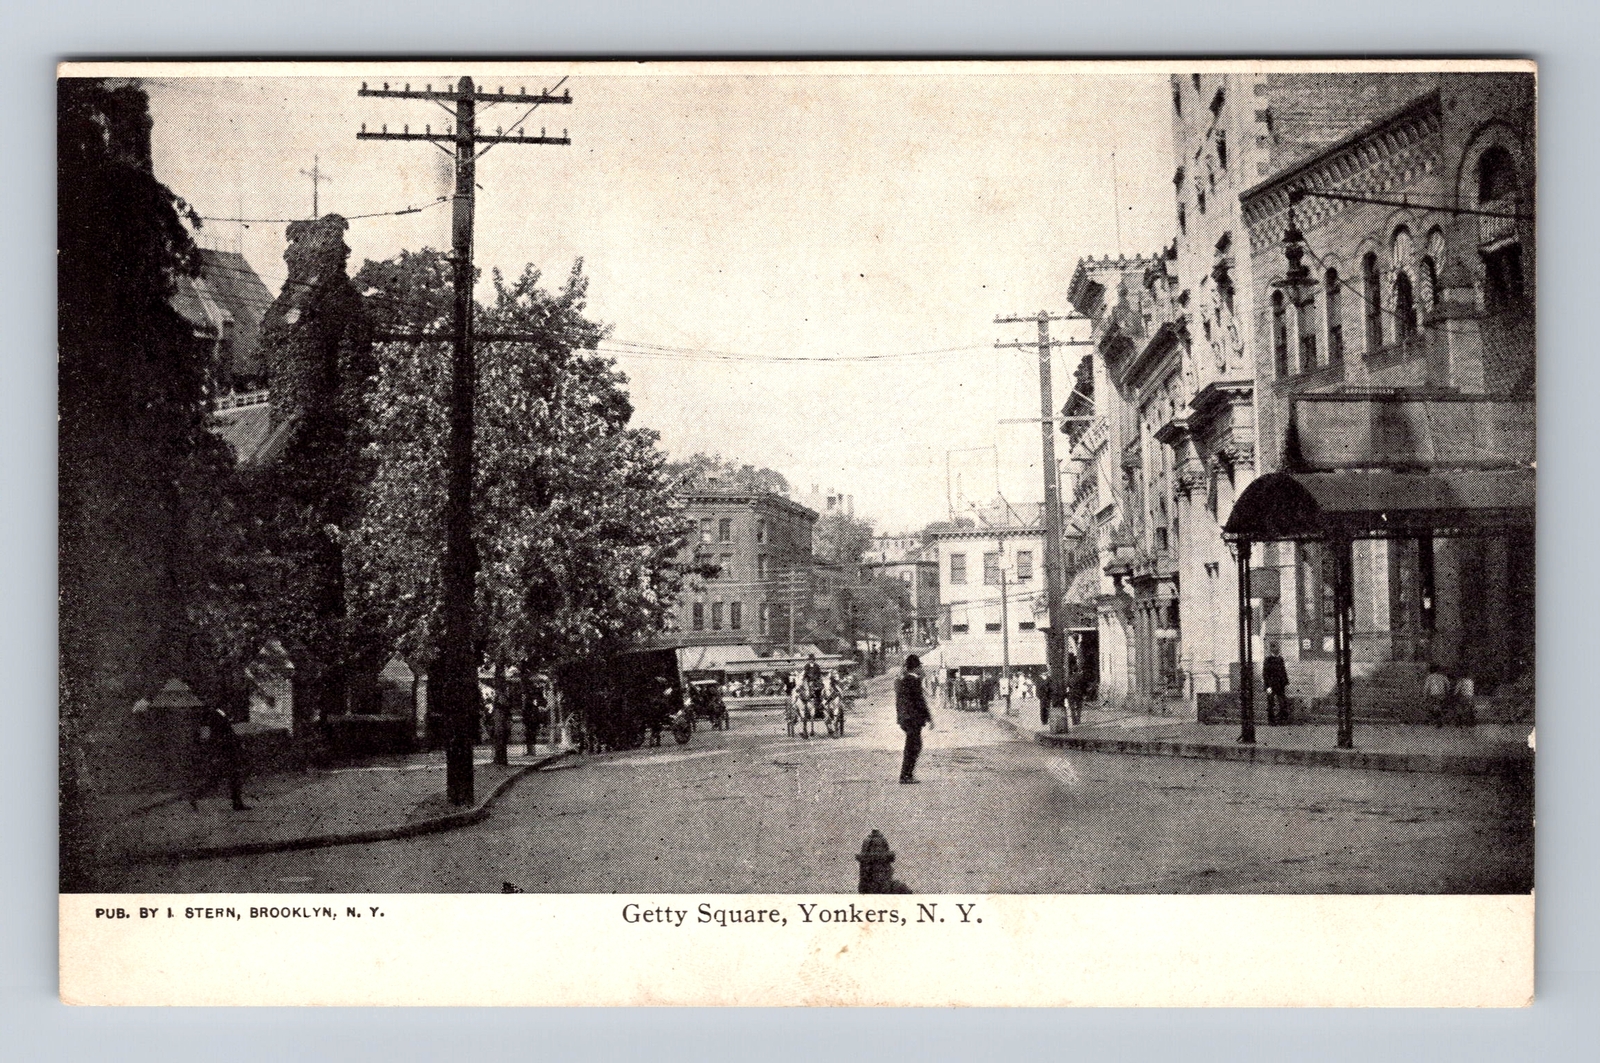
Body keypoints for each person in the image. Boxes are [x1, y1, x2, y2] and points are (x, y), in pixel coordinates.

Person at [190, 705, 248, 811]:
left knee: (231, 777)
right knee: (217, 780)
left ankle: (237, 803)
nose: (230, 708)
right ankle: (194, 795)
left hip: (227, 753)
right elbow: (217, 737)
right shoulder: (216, 717)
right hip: (224, 753)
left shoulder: (221, 716)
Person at [896, 654, 933, 783]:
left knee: (913, 745)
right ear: (916, 667)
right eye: (920, 666)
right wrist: (929, 718)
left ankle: (906, 774)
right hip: (913, 719)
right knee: (913, 746)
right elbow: (920, 701)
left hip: (906, 719)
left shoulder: (903, 680)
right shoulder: (913, 681)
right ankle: (906, 775)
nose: (922, 669)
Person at [1263, 643, 1290, 726]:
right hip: (1271, 685)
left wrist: (1285, 682)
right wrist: (1267, 686)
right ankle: (1271, 721)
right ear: (1271, 649)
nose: (1276, 650)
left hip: (1280, 685)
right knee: (1271, 703)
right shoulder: (1268, 660)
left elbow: (1283, 671)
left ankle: (1281, 720)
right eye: (1274, 648)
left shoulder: (1280, 659)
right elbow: (1265, 674)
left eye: (1277, 648)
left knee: (1282, 703)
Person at [1423, 663, 1450, 728]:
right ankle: (1438, 721)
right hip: (1442, 694)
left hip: (1434, 694)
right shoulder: (1443, 676)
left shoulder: (1430, 677)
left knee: (1435, 707)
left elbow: (1426, 687)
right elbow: (1448, 684)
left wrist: (1425, 695)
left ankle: (1437, 721)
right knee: (1438, 706)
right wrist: (1447, 692)